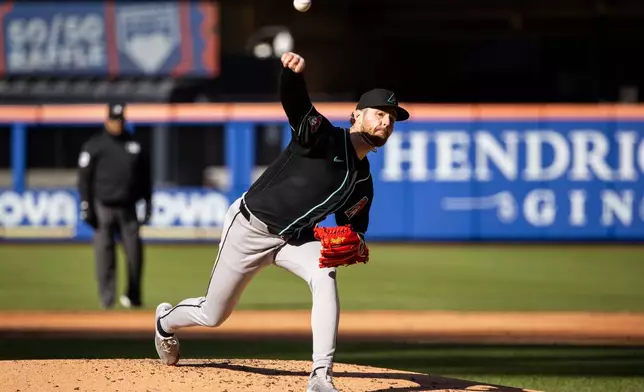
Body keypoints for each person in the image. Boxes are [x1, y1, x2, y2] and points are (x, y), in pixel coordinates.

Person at [153, 52, 409, 392]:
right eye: (380, 114)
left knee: (324, 274)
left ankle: (320, 376)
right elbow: (296, 103)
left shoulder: (362, 181)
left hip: (294, 239)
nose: (386, 123)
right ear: (357, 115)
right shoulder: (322, 137)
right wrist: (292, 75)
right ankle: (164, 323)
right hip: (250, 227)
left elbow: (353, 229)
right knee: (213, 315)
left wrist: (356, 242)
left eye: (392, 119)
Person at [77, 102, 152, 310]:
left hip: (128, 207)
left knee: (135, 254)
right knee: (104, 255)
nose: (117, 124)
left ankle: (133, 296)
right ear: (107, 121)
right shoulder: (95, 145)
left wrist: (148, 202)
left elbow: (146, 179)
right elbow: (84, 179)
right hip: (103, 207)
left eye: (121, 120)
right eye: (114, 120)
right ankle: (106, 301)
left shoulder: (135, 145)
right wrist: (86, 206)